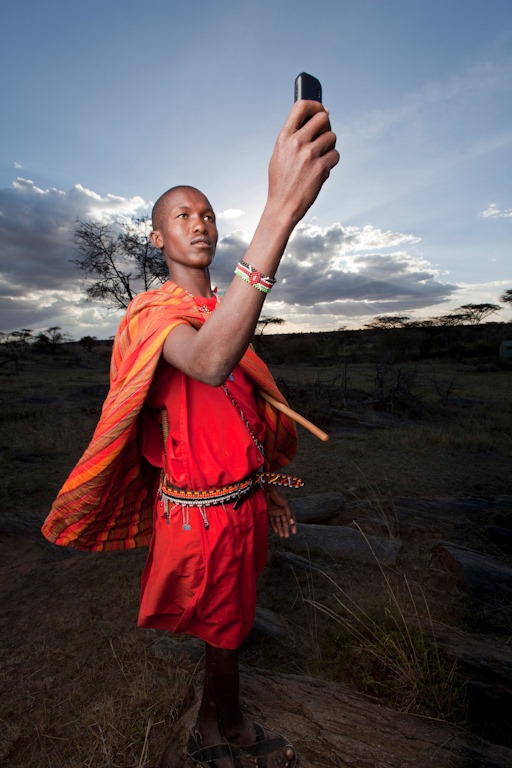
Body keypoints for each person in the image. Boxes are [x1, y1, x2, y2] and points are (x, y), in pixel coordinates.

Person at [42, 98, 338, 768]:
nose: (199, 223)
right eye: (183, 215)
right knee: (223, 626)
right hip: (198, 513)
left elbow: (241, 412)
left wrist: (272, 489)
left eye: (207, 214)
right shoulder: (154, 316)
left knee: (229, 625)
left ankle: (220, 723)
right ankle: (218, 732)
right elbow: (209, 365)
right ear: (158, 239)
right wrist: (280, 211)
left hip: (246, 501)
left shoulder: (220, 310)